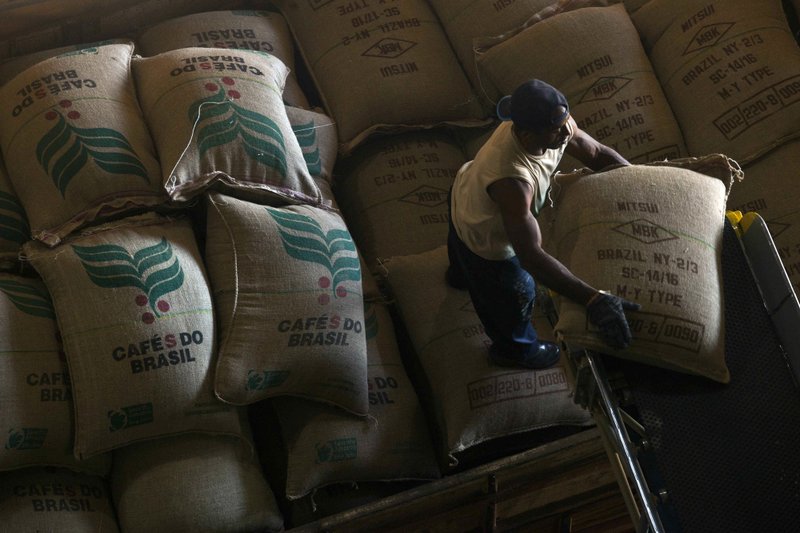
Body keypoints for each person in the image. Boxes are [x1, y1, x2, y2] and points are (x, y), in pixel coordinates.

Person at [447, 79, 641, 370]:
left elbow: (598, 154)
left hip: (464, 190)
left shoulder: (554, 124)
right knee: (516, 288)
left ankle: (462, 275)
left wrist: (643, 186)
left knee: (463, 265)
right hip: (484, 235)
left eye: (565, 121)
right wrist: (593, 300)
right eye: (556, 129)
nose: (567, 131)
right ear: (526, 136)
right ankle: (515, 351)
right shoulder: (511, 180)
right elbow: (531, 256)